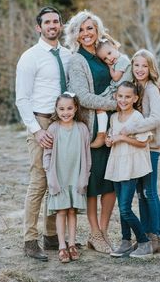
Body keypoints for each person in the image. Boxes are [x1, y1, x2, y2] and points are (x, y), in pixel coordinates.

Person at [15, 6, 72, 261]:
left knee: (57, 181)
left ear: (60, 25)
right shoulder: (30, 57)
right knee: (39, 181)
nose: (52, 26)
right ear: (39, 27)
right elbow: (22, 99)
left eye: (56, 21)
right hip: (40, 121)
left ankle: (52, 237)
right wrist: (37, 131)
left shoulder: (69, 56)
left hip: (63, 123)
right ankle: (30, 240)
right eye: (47, 22)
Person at [64, 10, 117, 254]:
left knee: (112, 181)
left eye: (90, 28)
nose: (86, 33)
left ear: (97, 31)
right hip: (93, 128)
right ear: (75, 35)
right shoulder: (77, 60)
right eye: (81, 30)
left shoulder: (104, 55)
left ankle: (103, 232)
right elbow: (83, 98)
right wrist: (117, 104)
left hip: (114, 127)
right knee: (94, 182)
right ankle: (94, 232)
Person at [120, 49, 160, 253]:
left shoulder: (151, 89)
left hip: (151, 148)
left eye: (144, 66)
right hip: (140, 148)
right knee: (140, 193)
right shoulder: (137, 87)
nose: (139, 69)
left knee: (149, 191)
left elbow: (157, 118)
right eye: (136, 65)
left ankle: (155, 236)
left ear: (151, 68)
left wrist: (131, 128)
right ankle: (145, 235)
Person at [105, 81, 153, 258]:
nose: (123, 100)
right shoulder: (113, 117)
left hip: (130, 167)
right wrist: (109, 140)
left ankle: (144, 242)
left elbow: (142, 142)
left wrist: (123, 138)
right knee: (121, 206)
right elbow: (112, 136)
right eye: (120, 96)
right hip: (117, 164)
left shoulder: (137, 117)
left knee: (125, 208)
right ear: (116, 97)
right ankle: (125, 242)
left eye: (127, 97)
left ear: (135, 98)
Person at [43, 92, 91, 263]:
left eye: (69, 108)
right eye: (61, 109)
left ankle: (72, 244)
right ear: (56, 109)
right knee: (61, 211)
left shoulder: (82, 128)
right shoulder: (53, 128)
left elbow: (87, 156)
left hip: (75, 177)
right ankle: (61, 245)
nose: (66, 112)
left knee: (72, 211)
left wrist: (84, 177)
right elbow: (47, 155)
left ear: (76, 108)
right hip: (59, 177)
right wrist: (50, 176)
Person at [90, 36, 132, 148]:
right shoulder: (117, 61)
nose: (109, 58)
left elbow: (116, 77)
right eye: (105, 59)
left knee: (100, 106)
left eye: (109, 53)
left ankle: (101, 135)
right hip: (115, 90)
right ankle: (105, 135)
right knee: (99, 104)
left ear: (114, 46)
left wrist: (109, 67)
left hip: (121, 91)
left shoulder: (123, 60)